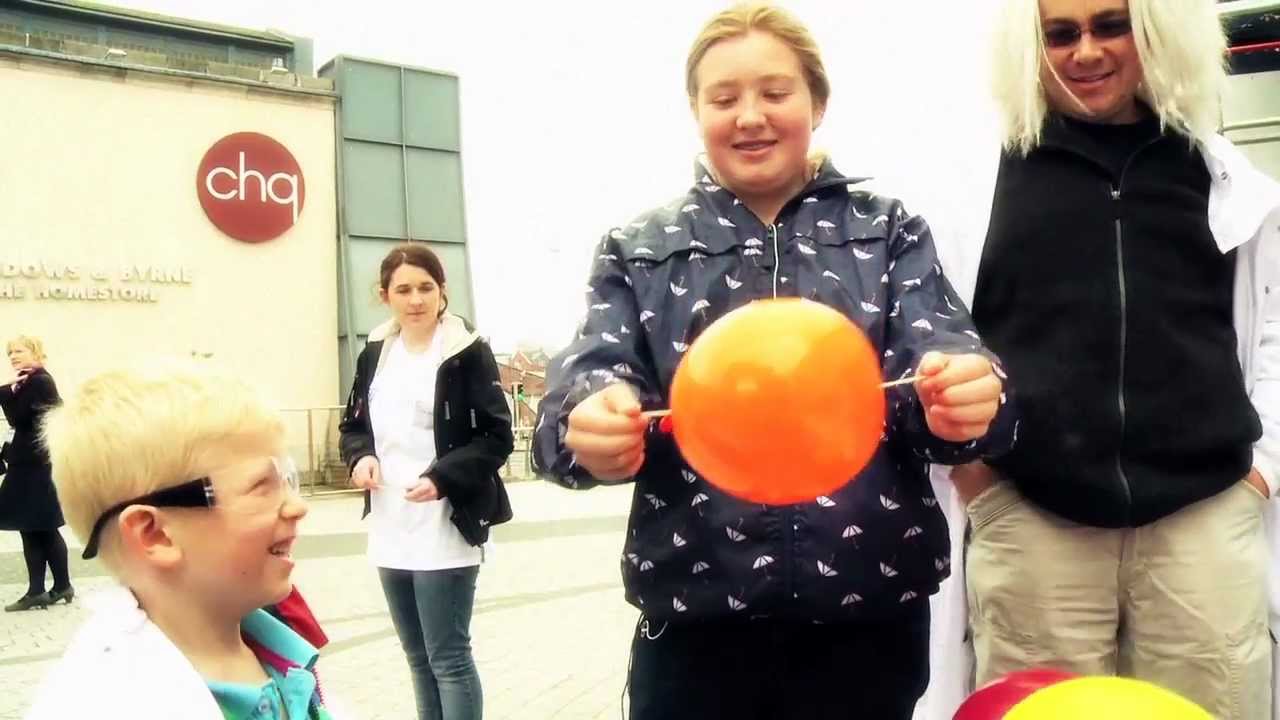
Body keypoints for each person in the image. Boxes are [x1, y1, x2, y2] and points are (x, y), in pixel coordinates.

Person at [531, 4, 1017, 718]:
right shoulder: (640, 250)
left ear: (817, 103)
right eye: (724, 98)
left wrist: (968, 398)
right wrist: (590, 420)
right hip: (697, 628)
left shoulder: (887, 231)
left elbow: (941, 355)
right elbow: (585, 383)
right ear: (696, 111)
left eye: (776, 92)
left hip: (869, 624)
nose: (750, 116)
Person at [921, 1, 1280, 718]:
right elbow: (937, 339)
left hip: (1203, 524)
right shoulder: (981, 185)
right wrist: (983, 489)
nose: (1085, 52)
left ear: (1152, 30)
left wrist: (1260, 476)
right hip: (1037, 529)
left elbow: (1272, 329)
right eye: (1061, 34)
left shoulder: (1219, 178)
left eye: (1110, 25)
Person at [24, 363, 344, 720]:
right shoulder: (103, 703)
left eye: (288, 479)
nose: (297, 506)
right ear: (155, 534)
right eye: (261, 486)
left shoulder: (283, 655)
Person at [339, 242, 514, 720]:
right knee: (418, 659)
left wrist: (442, 478)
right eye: (403, 290)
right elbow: (354, 425)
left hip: (445, 523)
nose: (415, 299)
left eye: (425, 287)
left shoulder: (466, 352)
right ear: (384, 296)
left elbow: (496, 437)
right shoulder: (376, 352)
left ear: (442, 291)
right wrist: (361, 457)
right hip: (390, 523)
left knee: (448, 659)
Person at [0, 335, 71, 612]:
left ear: (35, 352)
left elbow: (19, 419)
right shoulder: (29, 381)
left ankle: (39, 591)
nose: (13, 356)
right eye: (10, 353)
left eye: (19, 351)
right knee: (40, 528)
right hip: (30, 464)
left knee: (36, 528)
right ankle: (58, 587)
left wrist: (5, 390)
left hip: (34, 466)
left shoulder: (39, 382)